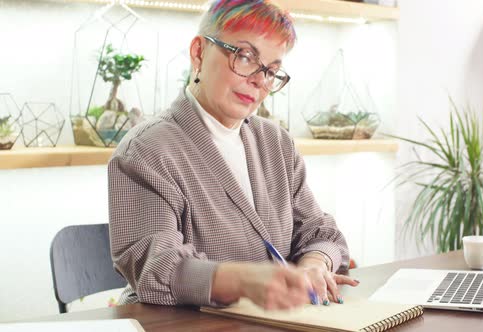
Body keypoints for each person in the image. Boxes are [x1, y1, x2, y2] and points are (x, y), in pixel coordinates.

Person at [108, 0, 358, 311]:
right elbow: (155, 268)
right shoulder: (147, 150)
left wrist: (315, 264)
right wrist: (242, 281)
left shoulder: (276, 143)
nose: (259, 80)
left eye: (271, 70)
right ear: (199, 52)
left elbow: (321, 233)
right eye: (245, 57)